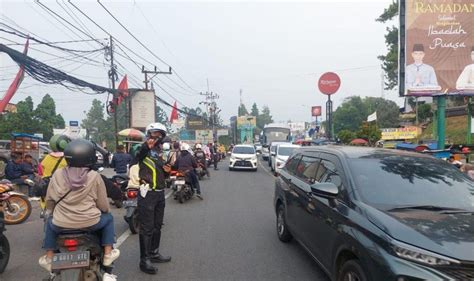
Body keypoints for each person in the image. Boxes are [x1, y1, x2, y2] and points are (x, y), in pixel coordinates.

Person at [39, 139, 120, 274]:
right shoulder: (94, 176)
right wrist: (104, 211)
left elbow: (50, 200)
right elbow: (103, 204)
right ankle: (107, 254)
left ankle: (49, 257)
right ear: (90, 157)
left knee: (49, 222)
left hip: (61, 224)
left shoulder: (58, 174)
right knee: (109, 218)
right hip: (90, 223)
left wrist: (51, 211)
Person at [135, 122, 171, 275]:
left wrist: (167, 172)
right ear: (148, 134)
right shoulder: (141, 148)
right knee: (147, 228)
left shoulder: (159, 152)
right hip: (147, 194)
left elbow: (161, 173)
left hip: (159, 193)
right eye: (154, 134)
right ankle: (144, 260)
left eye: (159, 135)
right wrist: (146, 147)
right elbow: (137, 156)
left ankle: (154, 253)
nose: (156, 137)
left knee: (157, 225)